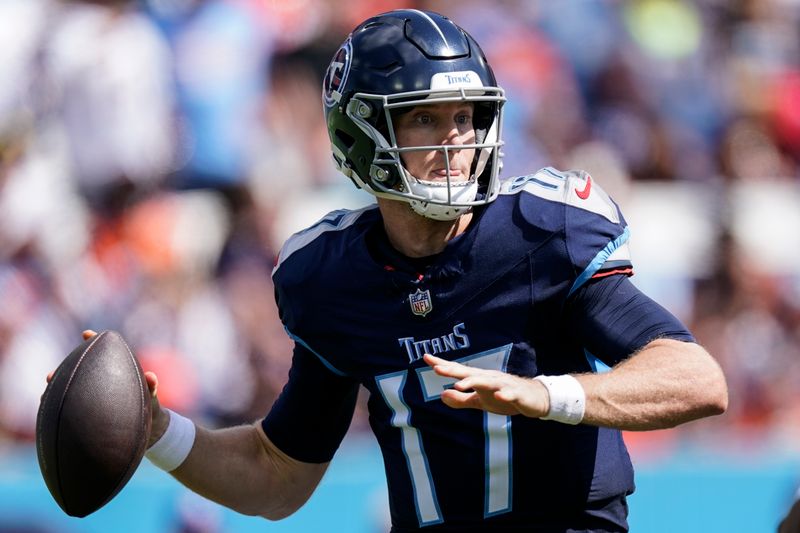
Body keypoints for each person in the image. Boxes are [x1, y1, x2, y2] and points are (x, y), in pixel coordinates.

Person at [99, 9, 728, 532]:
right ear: (360, 135)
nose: (456, 140)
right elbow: (276, 473)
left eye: (466, 117)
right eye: (425, 117)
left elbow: (696, 378)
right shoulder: (330, 279)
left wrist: (548, 396)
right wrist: (157, 431)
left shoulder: (542, 233)